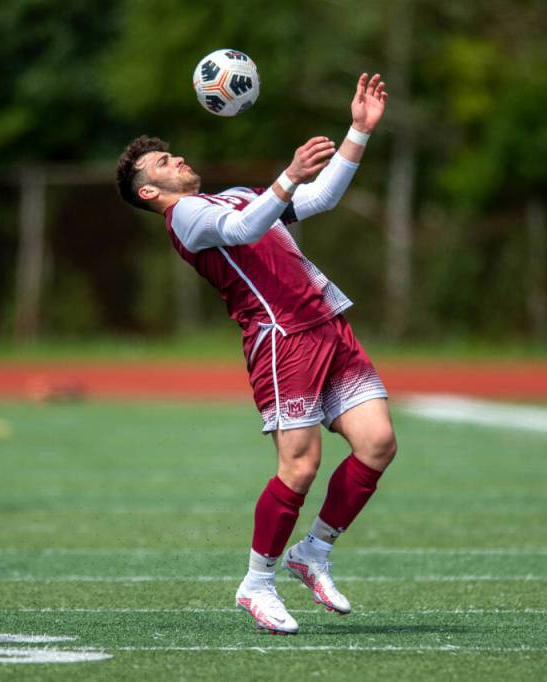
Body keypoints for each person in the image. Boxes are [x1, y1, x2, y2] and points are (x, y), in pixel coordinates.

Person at [115, 74, 394, 634]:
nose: (178, 161)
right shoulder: (185, 217)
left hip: (327, 325)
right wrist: (287, 175)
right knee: (300, 466)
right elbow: (244, 229)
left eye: (172, 155)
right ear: (150, 192)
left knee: (378, 444)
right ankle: (257, 583)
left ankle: (312, 553)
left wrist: (357, 132)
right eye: (164, 162)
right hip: (282, 340)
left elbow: (321, 197)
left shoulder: (237, 192)